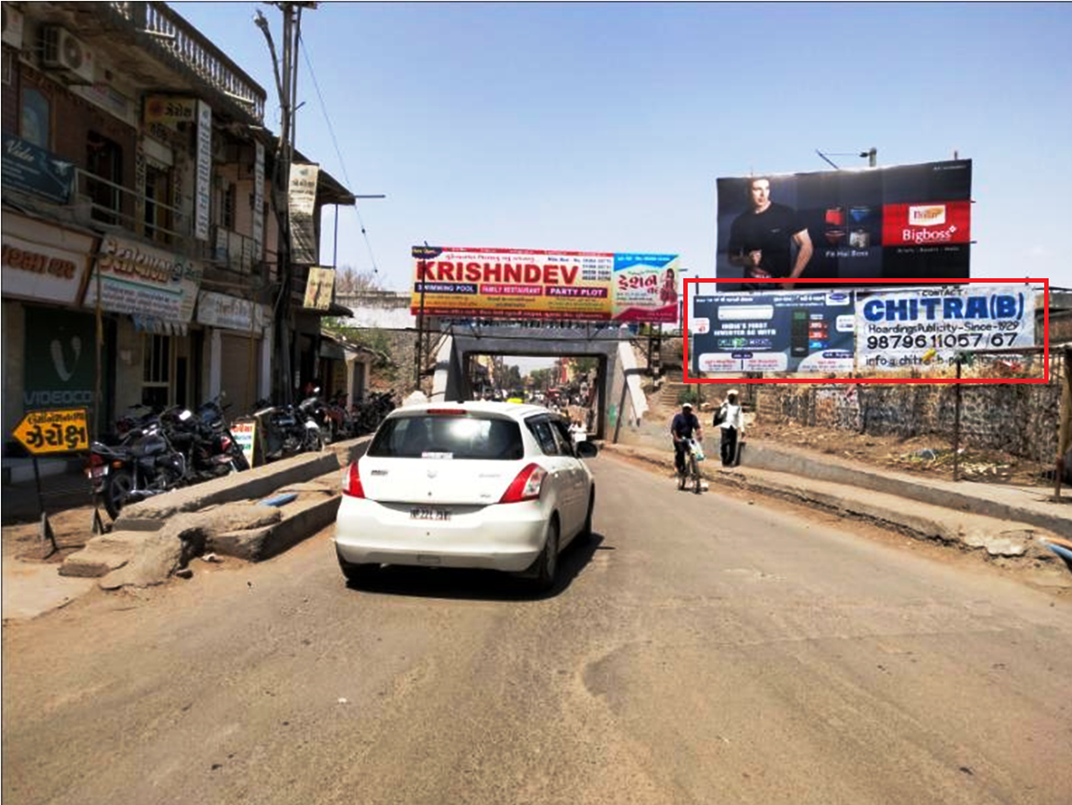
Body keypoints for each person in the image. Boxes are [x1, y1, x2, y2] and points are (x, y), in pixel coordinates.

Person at [727, 177, 813, 290]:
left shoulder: (785, 213)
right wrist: (747, 260)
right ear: (747, 191)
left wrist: (792, 279)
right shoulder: (740, 221)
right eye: (757, 189)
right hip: (750, 287)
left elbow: (807, 245)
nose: (763, 194)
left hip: (779, 285)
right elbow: (732, 258)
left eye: (766, 189)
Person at [670, 401, 703, 476]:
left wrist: (699, 435)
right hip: (679, 437)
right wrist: (676, 438)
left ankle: (695, 470)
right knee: (680, 452)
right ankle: (681, 468)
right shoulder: (678, 417)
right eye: (685, 409)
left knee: (694, 451)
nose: (687, 411)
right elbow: (674, 428)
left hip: (688, 438)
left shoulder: (693, 417)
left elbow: (697, 427)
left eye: (689, 409)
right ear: (683, 409)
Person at [715, 389, 744, 467]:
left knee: (732, 444)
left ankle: (730, 461)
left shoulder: (738, 407)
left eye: (733, 397)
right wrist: (723, 408)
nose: (731, 398)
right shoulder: (725, 406)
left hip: (733, 427)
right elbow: (719, 416)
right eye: (730, 397)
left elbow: (740, 418)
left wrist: (742, 429)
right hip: (725, 427)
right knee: (724, 444)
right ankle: (724, 459)